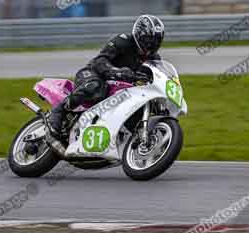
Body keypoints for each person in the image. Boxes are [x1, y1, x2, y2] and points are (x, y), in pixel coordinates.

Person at [46, 14, 165, 143]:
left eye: (156, 42)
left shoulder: (154, 59)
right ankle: (59, 110)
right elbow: (100, 60)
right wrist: (116, 71)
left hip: (121, 89)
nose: (151, 45)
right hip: (94, 74)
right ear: (139, 34)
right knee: (96, 87)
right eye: (149, 40)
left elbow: (156, 77)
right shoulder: (123, 40)